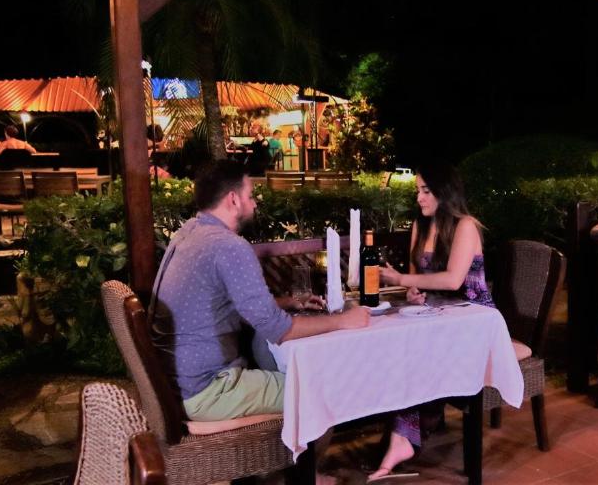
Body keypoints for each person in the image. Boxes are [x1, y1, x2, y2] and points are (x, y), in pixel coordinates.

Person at [150, 160, 370, 424]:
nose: (254, 203)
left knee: (278, 362)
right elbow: (277, 329)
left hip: (173, 384)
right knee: (320, 388)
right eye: (251, 196)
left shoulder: (189, 233)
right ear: (233, 199)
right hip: (208, 391)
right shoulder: (229, 246)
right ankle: (307, 464)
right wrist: (343, 321)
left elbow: (230, 304)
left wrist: (289, 301)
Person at [371, 161, 493, 480]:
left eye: (426, 191)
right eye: (418, 191)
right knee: (399, 345)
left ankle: (405, 435)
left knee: (416, 351)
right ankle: (404, 433)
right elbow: (418, 279)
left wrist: (400, 277)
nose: (420, 198)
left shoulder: (466, 226)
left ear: (444, 192)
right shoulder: (421, 226)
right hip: (437, 317)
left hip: (475, 321)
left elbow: (453, 281)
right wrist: (412, 291)